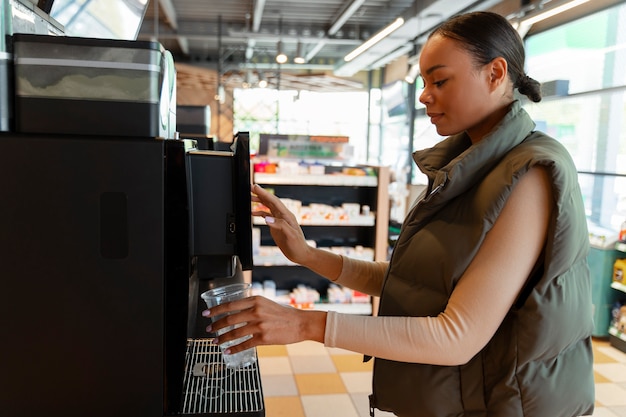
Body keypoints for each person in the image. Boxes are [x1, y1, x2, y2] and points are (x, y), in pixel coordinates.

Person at [202, 11, 595, 417]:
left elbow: (456, 336)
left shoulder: (528, 173)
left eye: (439, 81)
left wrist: (305, 324)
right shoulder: (468, 164)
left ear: (495, 73)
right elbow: (415, 286)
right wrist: (307, 254)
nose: (424, 96)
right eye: (423, 82)